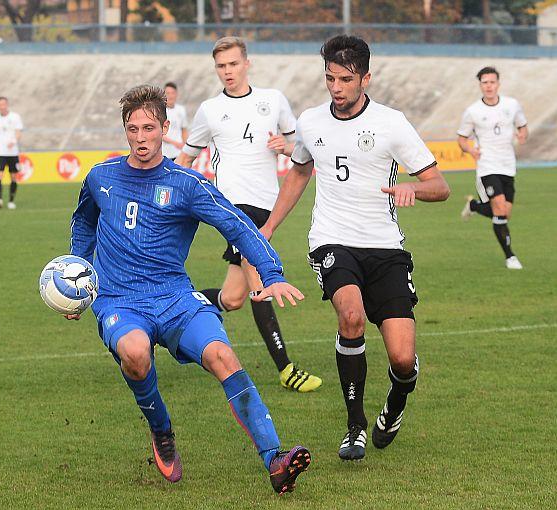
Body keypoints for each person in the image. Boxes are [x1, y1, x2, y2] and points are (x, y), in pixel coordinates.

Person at [68, 84, 311, 494]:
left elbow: (234, 223)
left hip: (176, 297)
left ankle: (276, 460)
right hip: (119, 299)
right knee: (134, 353)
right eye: (133, 129)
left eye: (149, 128)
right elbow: (83, 224)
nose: (141, 138)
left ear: (165, 128)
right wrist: (78, 277)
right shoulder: (100, 177)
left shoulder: (187, 183)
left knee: (223, 355)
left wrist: (271, 272)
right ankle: (161, 430)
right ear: (125, 130)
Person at [259, 35, 450, 461]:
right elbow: (299, 172)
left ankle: (395, 405)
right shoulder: (310, 121)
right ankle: (354, 426)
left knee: (402, 359)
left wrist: (412, 189)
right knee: (351, 316)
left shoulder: (392, 123)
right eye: (329, 78)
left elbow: (441, 185)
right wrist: (268, 227)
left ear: (366, 78)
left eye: (345, 79)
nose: (336, 87)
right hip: (332, 240)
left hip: (385, 247)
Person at [175, 36, 322, 394]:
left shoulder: (272, 100)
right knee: (261, 284)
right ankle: (286, 368)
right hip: (232, 209)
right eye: (221, 66)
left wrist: (284, 146)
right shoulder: (209, 110)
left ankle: (175, 305)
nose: (227, 71)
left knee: (232, 299)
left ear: (246, 63)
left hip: (269, 206)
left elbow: (298, 149)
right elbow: (186, 159)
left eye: (233, 64)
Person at [458, 67, 528, 270]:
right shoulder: (473, 111)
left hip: (508, 165)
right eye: (484, 82)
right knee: (498, 207)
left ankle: (473, 206)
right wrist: (471, 151)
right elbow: (462, 139)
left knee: (504, 213)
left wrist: (523, 135)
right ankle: (510, 257)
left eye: (492, 82)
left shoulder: (512, 105)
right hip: (487, 166)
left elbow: (523, 127)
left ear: (498, 83)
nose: (488, 86)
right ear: (480, 85)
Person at [0, 96, 24, 210]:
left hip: (13, 153)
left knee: (13, 177)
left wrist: (13, 141)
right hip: (0, 152)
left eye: (4, 104)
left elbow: (18, 132)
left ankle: (11, 201)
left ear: (7, 104)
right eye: (0, 105)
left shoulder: (15, 117)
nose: (2, 106)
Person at [162, 82, 189, 160]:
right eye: (168, 93)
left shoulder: (181, 110)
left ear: (176, 94)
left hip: (178, 153)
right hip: (164, 152)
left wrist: (184, 145)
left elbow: (184, 129)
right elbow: (159, 133)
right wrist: (175, 143)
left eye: (172, 93)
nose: (170, 96)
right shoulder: (161, 111)